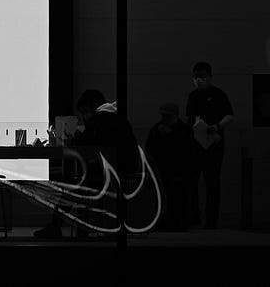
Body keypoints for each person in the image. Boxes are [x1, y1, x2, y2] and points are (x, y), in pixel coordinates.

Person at [33, 88, 137, 239]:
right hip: (122, 169)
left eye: (85, 112)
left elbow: (84, 142)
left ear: (92, 106)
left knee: (70, 182)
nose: (84, 117)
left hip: (112, 173)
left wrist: (71, 140)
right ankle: (73, 228)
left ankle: (58, 226)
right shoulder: (115, 116)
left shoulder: (101, 117)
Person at [186, 61, 234, 229]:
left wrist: (217, 127)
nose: (199, 80)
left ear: (210, 77)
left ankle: (211, 220)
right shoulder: (192, 96)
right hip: (196, 145)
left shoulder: (219, 95)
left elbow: (229, 115)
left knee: (212, 182)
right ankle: (194, 217)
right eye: (196, 77)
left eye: (202, 77)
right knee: (192, 182)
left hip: (214, 145)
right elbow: (190, 119)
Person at [144, 101, 197, 232]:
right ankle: (170, 224)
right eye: (163, 116)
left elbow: (188, 154)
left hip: (175, 173)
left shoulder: (178, 131)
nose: (164, 119)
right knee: (169, 201)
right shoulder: (161, 130)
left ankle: (174, 224)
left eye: (167, 116)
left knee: (175, 202)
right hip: (167, 173)